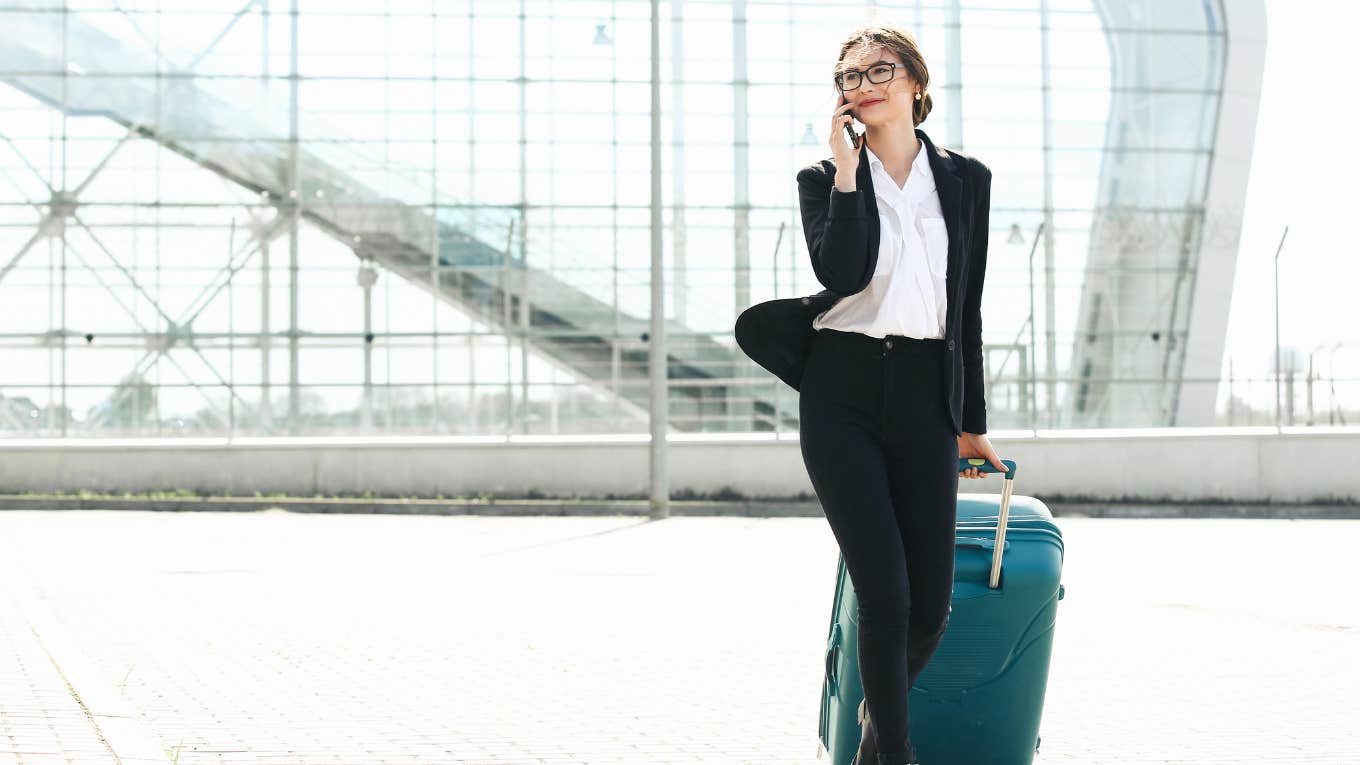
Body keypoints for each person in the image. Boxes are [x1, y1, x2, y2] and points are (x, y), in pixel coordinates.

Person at [768, 23, 1007, 765]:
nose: (862, 84)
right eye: (849, 77)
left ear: (914, 81)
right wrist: (846, 174)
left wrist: (970, 423)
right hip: (841, 389)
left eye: (878, 70)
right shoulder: (823, 178)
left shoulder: (967, 180)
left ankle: (872, 740)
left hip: (925, 391)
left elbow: (964, 306)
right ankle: (895, 756)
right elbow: (843, 273)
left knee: (930, 606)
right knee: (887, 595)